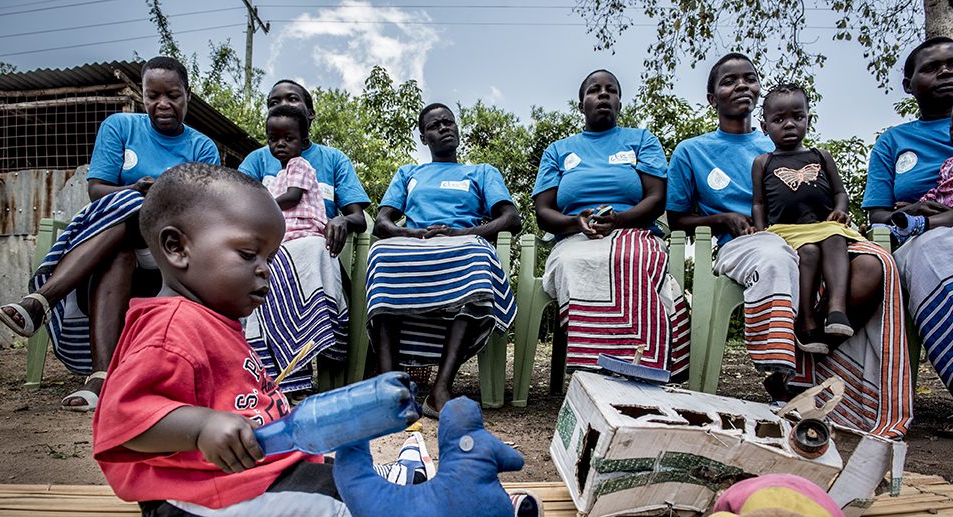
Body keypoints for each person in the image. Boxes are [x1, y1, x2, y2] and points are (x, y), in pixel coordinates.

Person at [93, 163, 537, 517]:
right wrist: (201, 427)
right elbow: (119, 420)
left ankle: (467, 513)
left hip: (256, 475)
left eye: (269, 256)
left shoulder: (212, 318)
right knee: (344, 507)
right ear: (177, 247)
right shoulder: (170, 326)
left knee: (350, 477)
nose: (266, 271)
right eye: (249, 254)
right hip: (195, 503)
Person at [667, 53, 911, 440]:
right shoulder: (692, 151)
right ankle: (782, 376)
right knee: (775, 254)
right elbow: (677, 218)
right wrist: (722, 219)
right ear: (712, 97)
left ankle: (815, 348)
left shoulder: (785, 137)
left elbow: (823, 192)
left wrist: (838, 215)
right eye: (729, 81)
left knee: (875, 264)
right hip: (746, 244)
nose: (742, 86)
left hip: (812, 237)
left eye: (749, 78)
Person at [0, 56, 219, 411]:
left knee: (144, 205)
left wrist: (156, 196)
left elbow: (200, 209)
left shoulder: (203, 148)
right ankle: (100, 378)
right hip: (112, 242)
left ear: (187, 95)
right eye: (152, 95)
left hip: (166, 251)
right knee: (122, 235)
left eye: (173, 95)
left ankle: (41, 300)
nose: (163, 104)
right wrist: (136, 187)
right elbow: (97, 189)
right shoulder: (120, 127)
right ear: (142, 95)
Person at [532, 69, 690, 378]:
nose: (603, 94)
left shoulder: (641, 140)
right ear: (581, 105)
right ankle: (594, 372)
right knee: (574, 264)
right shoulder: (558, 150)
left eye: (611, 90)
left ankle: (642, 368)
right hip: (575, 238)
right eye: (594, 90)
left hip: (636, 232)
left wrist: (618, 219)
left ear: (619, 102)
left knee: (635, 259)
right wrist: (576, 223)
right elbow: (543, 212)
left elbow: (656, 198)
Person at [367, 103, 521, 419]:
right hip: (414, 245)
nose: (444, 127)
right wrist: (415, 233)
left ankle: (440, 390)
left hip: (462, 244)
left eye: (448, 122)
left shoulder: (481, 172)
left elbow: (511, 219)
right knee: (381, 253)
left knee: (478, 256)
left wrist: (462, 232)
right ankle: (391, 387)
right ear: (424, 138)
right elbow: (383, 223)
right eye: (435, 125)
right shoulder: (409, 173)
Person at [238, 80, 369, 394]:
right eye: (274, 102)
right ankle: (264, 372)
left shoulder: (332, 159)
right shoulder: (257, 160)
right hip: (269, 245)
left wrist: (340, 219)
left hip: (318, 243)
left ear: (309, 115)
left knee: (305, 252)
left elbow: (358, 218)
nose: (284, 105)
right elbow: (236, 205)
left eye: (293, 99)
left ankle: (310, 351)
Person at [865, 37, 953, 398]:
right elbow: (877, 215)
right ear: (909, 84)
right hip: (919, 240)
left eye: (951, 64)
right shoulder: (894, 141)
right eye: (931, 67)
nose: (945, 71)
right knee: (935, 249)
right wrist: (914, 210)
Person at [750, 83, 864, 354]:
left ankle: (837, 309)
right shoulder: (763, 162)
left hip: (822, 225)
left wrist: (840, 210)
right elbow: (758, 202)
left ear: (808, 120)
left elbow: (839, 192)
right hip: (787, 230)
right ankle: (807, 320)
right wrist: (760, 229)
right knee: (809, 253)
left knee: (835, 236)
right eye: (778, 120)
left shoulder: (821, 156)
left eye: (797, 117)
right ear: (765, 126)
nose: (789, 125)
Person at [264, 104, 327, 242]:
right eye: (274, 138)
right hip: (287, 227)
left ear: (303, 143)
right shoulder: (279, 176)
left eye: (288, 138)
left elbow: (293, 197)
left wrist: (265, 206)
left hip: (302, 228)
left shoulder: (298, 164)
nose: (280, 144)